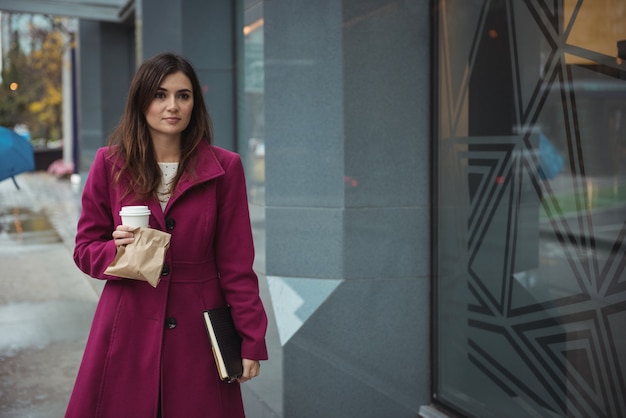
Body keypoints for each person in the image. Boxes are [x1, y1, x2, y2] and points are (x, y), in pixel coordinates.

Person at [66, 52, 268, 418]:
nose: (171, 105)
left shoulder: (226, 168)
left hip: (199, 331)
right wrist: (117, 250)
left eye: (183, 95)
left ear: (195, 103)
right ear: (141, 101)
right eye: (160, 95)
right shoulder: (109, 164)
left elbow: (237, 264)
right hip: (126, 324)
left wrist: (251, 338)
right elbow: (84, 250)